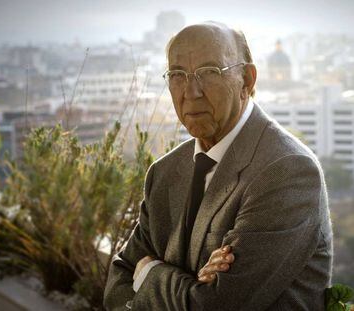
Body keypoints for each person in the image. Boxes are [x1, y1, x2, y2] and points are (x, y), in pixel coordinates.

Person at [104, 21, 333, 310]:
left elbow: (218, 305)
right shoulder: (164, 172)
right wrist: (190, 285)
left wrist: (151, 273)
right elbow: (117, 284)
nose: (191, 91)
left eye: (209, 72)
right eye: (177, 74)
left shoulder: (287, 171)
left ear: (247, 81)